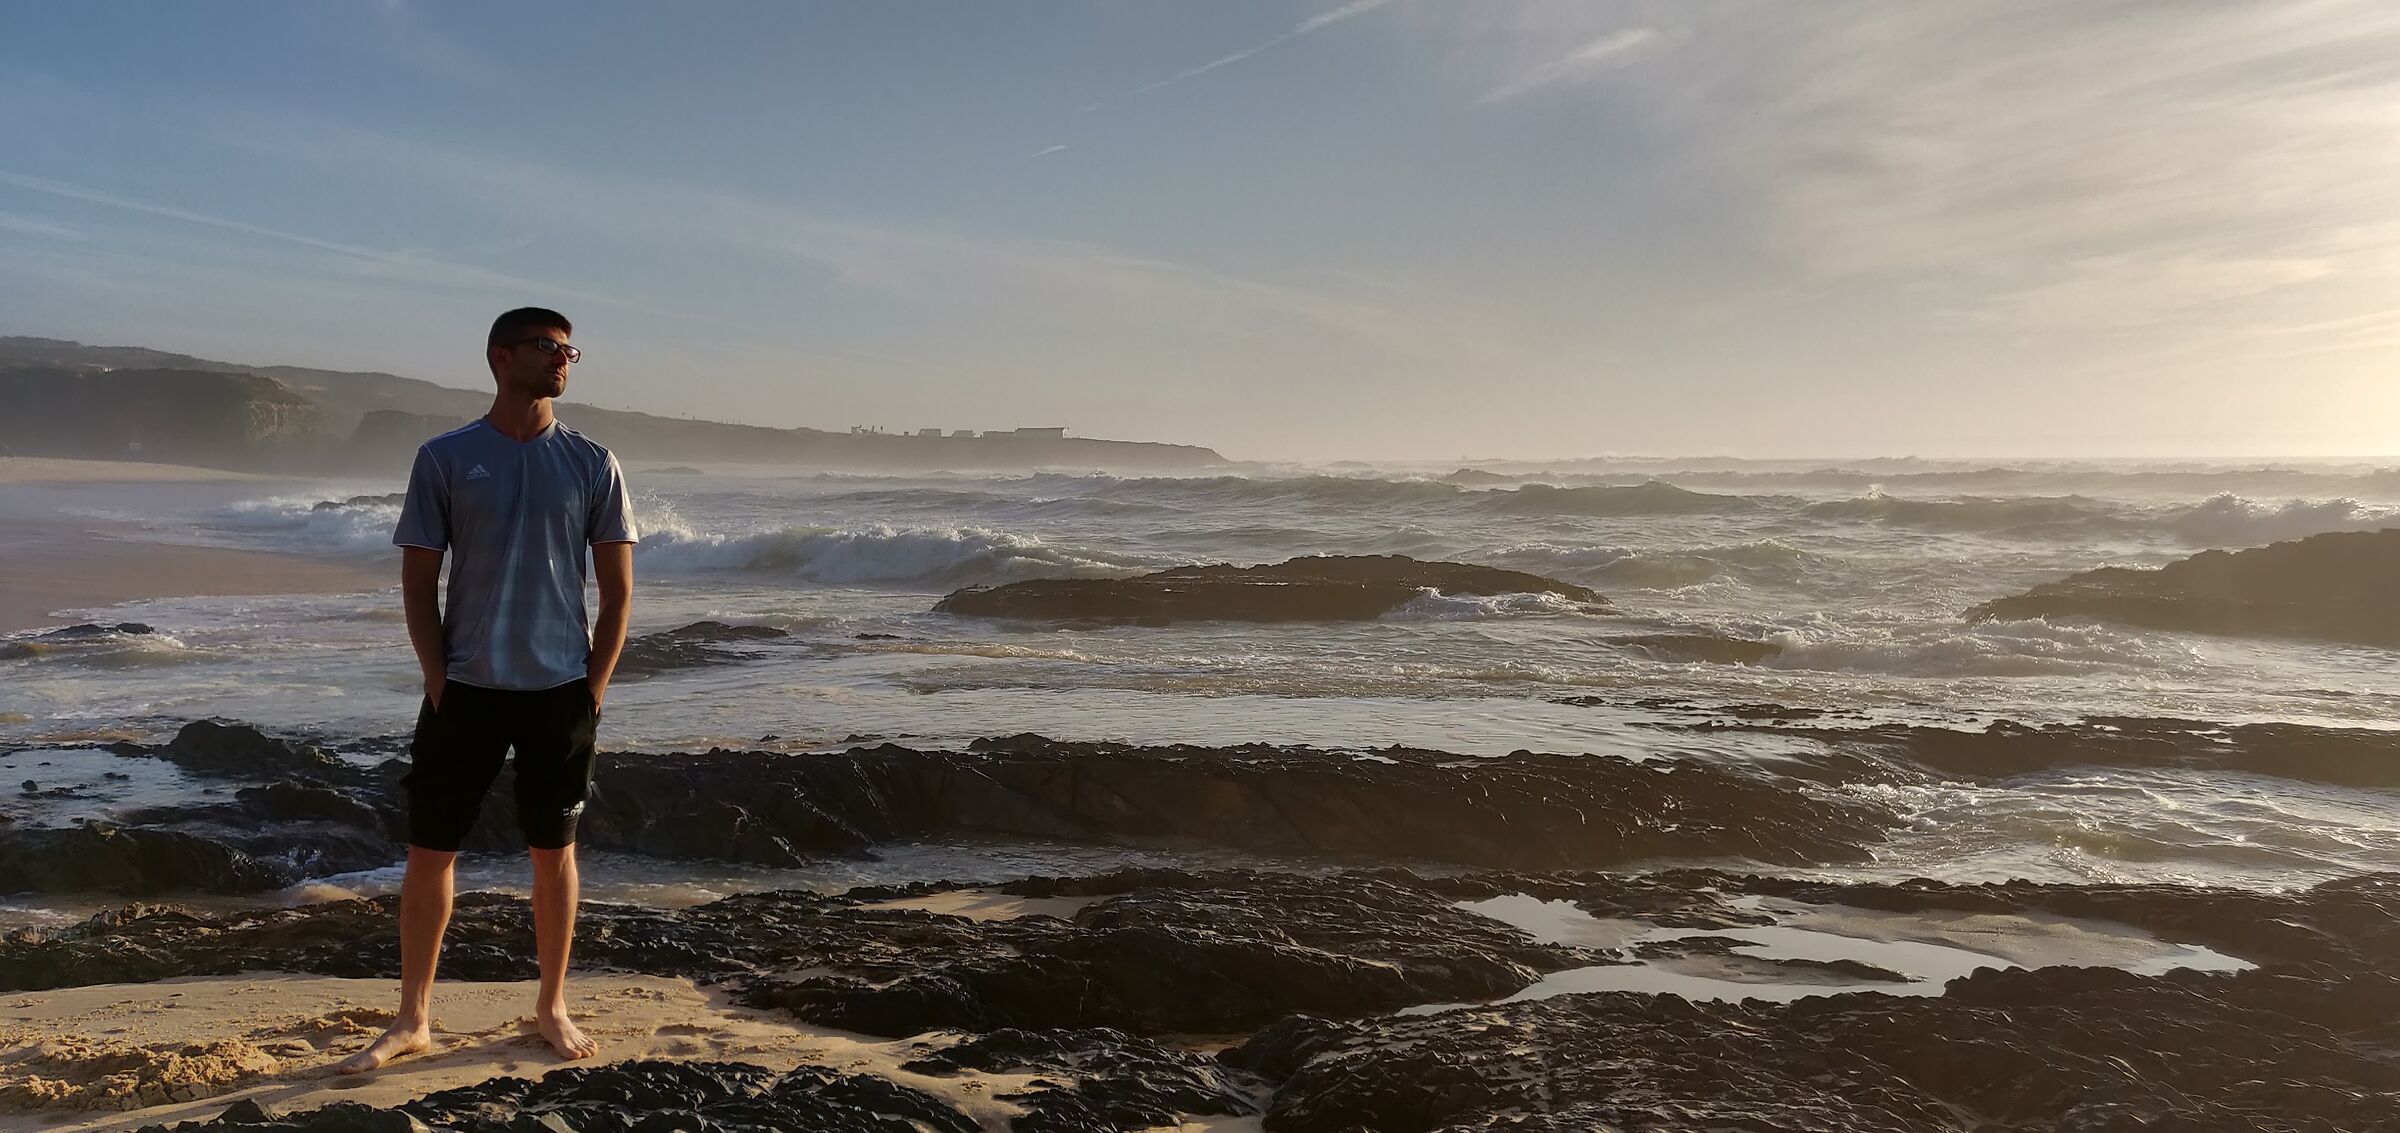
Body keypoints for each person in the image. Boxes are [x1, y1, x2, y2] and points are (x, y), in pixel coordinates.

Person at [340, 307, 638, 1073]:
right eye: (548, 347)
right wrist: (438, 677)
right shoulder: (445, 457)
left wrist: (593, 687)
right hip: (465, 688)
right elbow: (417, 579)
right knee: (430, 850)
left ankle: (551, 1005)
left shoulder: (593, 461)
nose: (564, 359)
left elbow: (617, 590)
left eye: (570, 349)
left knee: (554, 851)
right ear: (501, 357)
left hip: (559, 690)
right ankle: (412, 1016)